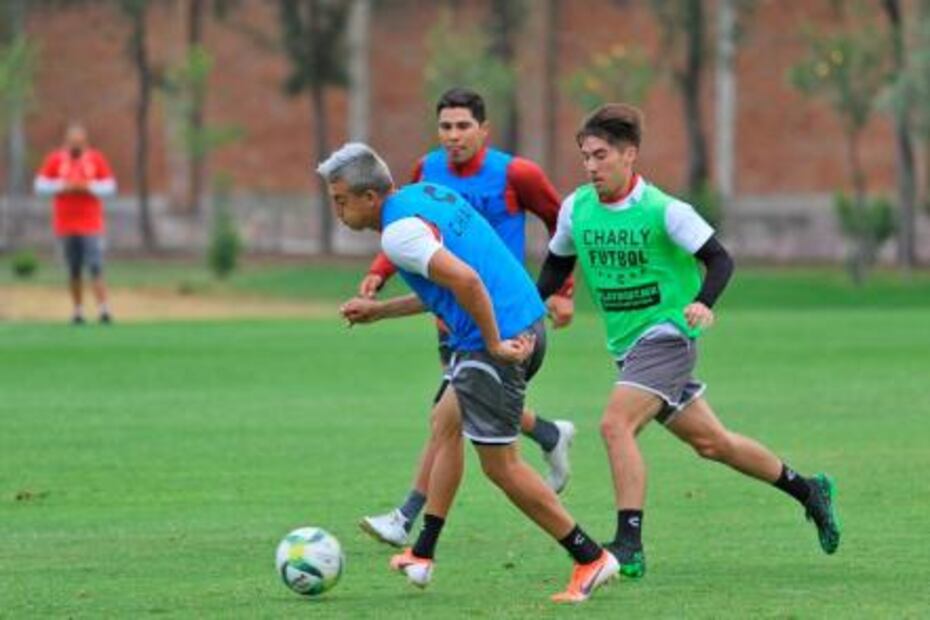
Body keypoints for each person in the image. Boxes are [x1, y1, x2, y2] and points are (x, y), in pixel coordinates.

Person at [536, 103, 841, 578]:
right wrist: (529, 313)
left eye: (600, 155)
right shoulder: (577, 208)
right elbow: (557, 263)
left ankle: (629, 545)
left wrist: (703, 302)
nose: (591, 166)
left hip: (668, 336)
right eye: (585, 157)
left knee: (615, 425)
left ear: (629, 154)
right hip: (627, 349)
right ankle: (809, 490)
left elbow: (720, 260)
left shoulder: (665, 210)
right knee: (713, 443)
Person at [320, 142, 618, 603]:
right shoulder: (426, 196)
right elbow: (448, 284)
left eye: (340, 199)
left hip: (496, 342)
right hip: (518, 321)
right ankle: (422, 553)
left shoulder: (398, 233)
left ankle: (590, 556)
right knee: (444, 421)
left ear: (371, 197)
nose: (336, 210)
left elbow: (468, 281)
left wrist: (496, 343)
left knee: (503, 469)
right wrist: (379, 312)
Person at [356, 88, 576, 548]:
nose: (453, 136)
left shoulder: (516, 172)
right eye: (445, 127)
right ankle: (550, 434)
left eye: (462, 126)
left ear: (484, 130)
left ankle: (410, 523)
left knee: (452, 423)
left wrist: (562, 290)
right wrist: (379, 276)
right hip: (455, 317)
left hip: (501, 318)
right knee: (454, 418)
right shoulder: (427, 174)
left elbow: (561, 224)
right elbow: (407, 235)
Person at [34, 122, 117, 324]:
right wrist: (63, 186)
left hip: (91, 223)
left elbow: (110, 187)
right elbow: (40, 186)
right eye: (72, 142)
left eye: (79, 142)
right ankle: (78, 310)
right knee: (74, 268)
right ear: (66, 141)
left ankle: (103, 309)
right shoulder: (56, 160)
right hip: (66, 223)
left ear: (85, 141)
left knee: (95, 265)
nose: (76, 145)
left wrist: (88, 187)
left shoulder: (95, 159)